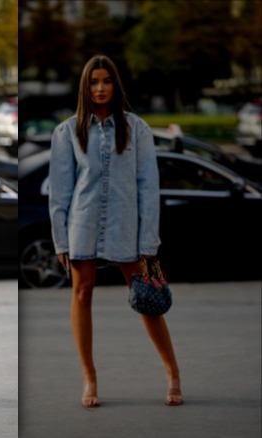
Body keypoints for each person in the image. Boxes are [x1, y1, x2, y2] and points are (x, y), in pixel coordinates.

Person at [48, 54, 183, 408]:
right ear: (85, 87)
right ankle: (89, 377)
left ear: (115, 85)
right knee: (82, 294)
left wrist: (148, 240)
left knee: (146, 297)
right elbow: (60, 192)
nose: (100, 88)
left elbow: (148, 187)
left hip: (126, 224)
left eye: (106, 81)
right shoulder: (67, 132)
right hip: (83, 221)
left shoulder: (136, 129)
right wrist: (60, 238)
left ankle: (172, 371)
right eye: (93, 82)